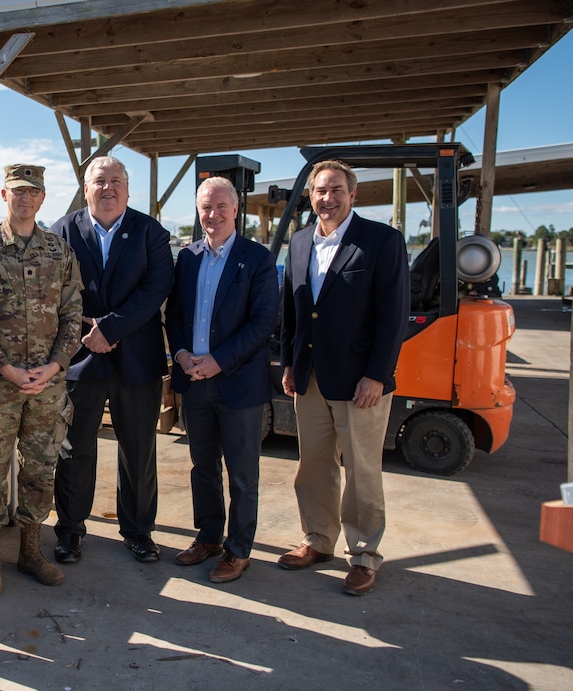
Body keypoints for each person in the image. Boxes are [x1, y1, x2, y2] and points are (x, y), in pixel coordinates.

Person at [278, 160, 409, 595]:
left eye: (336, 190)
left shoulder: (381, 241)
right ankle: (318, 540)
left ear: (353, 195)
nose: (327, 198)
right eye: (320, 191)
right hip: (310, 377)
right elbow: (293, 312)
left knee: (362, 472)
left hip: (360, 382)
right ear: (310, 196)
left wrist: (377, 374)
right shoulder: (299, 243)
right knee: (313, 466)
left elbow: (394, 316)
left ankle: (365, 555)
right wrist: (289, 364)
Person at [0, 163, 82, 598]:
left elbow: (72, 314)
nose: (25, 198)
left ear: (43, 197)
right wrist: (5, 366)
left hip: (47, 383)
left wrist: (55, 365)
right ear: (3, 195)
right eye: (17, 192)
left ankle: (31, 550)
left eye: (34, 192)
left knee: (41, 468)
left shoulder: (58, 250)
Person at [50, 156, 173, 564]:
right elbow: (55, 288)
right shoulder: (63, 230)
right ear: (85, 189)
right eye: (99, 181)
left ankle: (138, 531)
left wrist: (111, 329)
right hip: (80, 357)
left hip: (136, 359)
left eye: (115, 180)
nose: (108, 188)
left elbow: (157, 287)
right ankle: (69, 530)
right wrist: (91, 331)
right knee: (75, 448)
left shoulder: (149, 231)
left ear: (128, 188)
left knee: (138, 450)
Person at [164, 177, 279, 583]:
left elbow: (263, 321)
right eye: (205, 208)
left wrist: (218, 360)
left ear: (236, 209)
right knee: (203, 466)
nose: (212, 215)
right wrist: (180, 354)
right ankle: (209, 535)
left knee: (242, 474)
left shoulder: (258, 259)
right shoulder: (189, 258)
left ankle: (238, 549)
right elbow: (175, 313)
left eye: (220, 207)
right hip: (194, 380)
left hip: (237, 383)